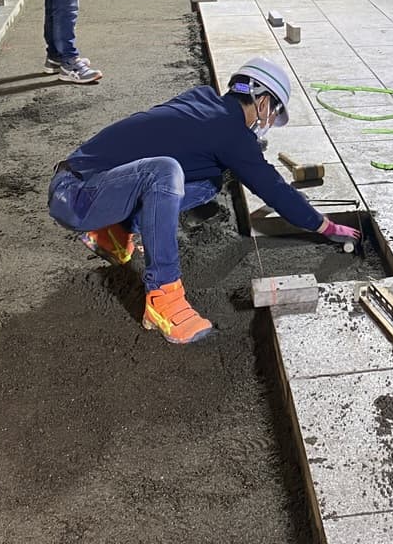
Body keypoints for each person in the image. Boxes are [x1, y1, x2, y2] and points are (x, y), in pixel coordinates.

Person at [47, 58, 362, 344]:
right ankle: (164, 297)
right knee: (164, 172)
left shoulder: (202, 100)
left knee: (208, 181)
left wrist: (244, 151)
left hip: (87, 180)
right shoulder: (232, 134)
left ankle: (113, 232)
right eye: (274, 114)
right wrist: (324, 226)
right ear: (264, 102)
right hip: (76, 196)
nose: (269, 122)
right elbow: (274, 189)